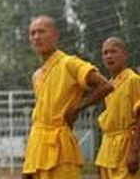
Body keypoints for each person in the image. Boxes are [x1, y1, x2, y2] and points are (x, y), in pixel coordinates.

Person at [22, 16, 114, 179]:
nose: (36, 37)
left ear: (56, 35)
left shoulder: (69, 63)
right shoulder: (36, 76)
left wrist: (77, 108)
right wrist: (28, 163)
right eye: (32, 33)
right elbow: (39, 118)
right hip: (37, 147)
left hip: (61, 147)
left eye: (41, 31)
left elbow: (105, 85)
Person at [95, 37, 140, 179]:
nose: (108, 56)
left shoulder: (133, 80)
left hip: (126, 147)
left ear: (125, 55)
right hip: (108, 150)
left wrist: (134, 151)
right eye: (105, 53)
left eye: (113, 51)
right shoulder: (109, 84)